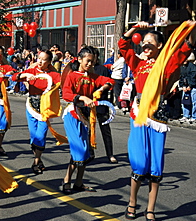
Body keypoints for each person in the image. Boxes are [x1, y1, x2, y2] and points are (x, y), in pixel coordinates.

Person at [119, 20, 196, 221]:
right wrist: (137, 28)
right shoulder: (137, 63)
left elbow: (188, 45)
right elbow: (123, 45)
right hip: (139, 115)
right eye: (143, 43)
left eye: (149, 43)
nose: (145, 46)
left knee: (155, 166)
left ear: (160, 46)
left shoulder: (167, 63)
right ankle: (132, 202)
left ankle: (150, 209)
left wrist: (191, 25)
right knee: (139, 162)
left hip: (158, 116)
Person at [61, 46, 114, 194]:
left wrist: (101, 89)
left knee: (84, 150)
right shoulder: (72, 76)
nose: (90, 64)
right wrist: (83, 97)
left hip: (86, 116)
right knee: (80, 148)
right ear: (79, 59)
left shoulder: (92, 77)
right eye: (88, 61)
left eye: (93, 62)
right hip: (72, 114)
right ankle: (67, 180)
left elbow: (110, 81)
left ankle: (77, 182)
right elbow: (66, 94)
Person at [11, 50, 61, 175]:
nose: (40, 61)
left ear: (49, 62)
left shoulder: (54, 74)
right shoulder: (32, 71)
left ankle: (36, 161)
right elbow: (14, 77)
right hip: (32, 106)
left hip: (45, 107)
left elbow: (63, 84)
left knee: (41, 134)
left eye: (43, 59)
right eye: (39, 58)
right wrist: (24, 76)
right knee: (34, 136)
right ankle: (38, 160)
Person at [93, 48, 118, 163]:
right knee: (88, 130)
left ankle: (110, 154)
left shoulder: (102, 69)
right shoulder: (83, 70)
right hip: (87, 104)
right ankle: (89, 152)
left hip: (102, 103)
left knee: (105, 130)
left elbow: (110, 83)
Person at [178, 53, 196, 123]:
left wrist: (190, 85)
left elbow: (193, 76)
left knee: (194, 102)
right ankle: (185, 115)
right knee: (185, 101)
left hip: (193, 86)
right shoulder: (181, 67)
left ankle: (194, 116)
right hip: (185, 86)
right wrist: (183, 86)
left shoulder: (192, 66)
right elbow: (180, 77)